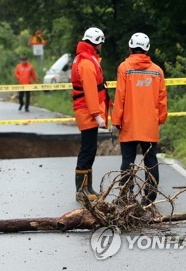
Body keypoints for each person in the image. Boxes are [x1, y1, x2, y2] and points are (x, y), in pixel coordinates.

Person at [111, 32, 167, 205]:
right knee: (151, 161)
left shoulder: (124, 68)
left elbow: (120, 96)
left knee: (128, 161)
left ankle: (126, 195)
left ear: (130, 47)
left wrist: (116, 121)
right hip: (149, 124)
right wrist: (160, 119)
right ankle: (149, 197)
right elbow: (162, 98)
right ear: (147, 49)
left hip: (129, 124)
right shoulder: (157, 71)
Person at [71, 27, 108, 202]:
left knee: (90, 149)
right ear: (95, 42)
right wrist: (97, 115)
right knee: (87, 150)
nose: (101, 45)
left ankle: (88, 187)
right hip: (87, 111)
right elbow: (90, 91)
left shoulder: (87, 58)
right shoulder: (86, 62)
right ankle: (81, 191)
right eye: (100, 42)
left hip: (87, 111)